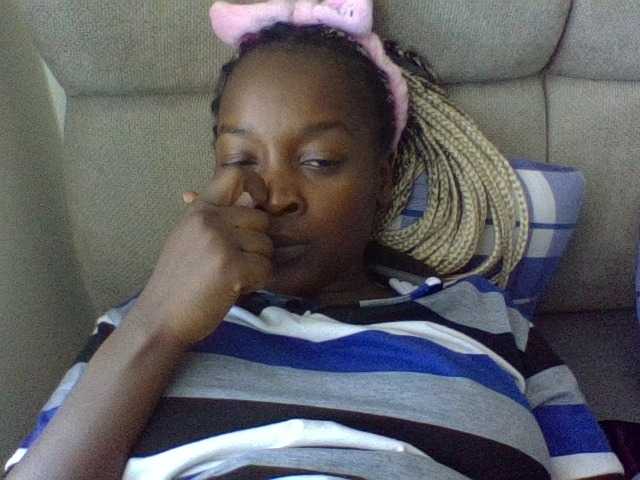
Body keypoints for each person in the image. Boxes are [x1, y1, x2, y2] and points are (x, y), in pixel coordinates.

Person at [4, 1, 624, 479]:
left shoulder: (490, 321)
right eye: (240, 158)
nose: (276, 195)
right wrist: (157, 324)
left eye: (320, 160)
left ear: (383, 179)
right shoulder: (136, 328)